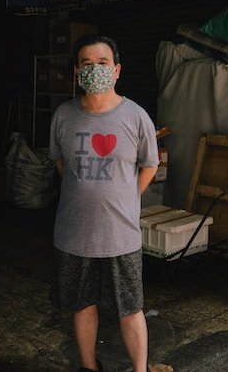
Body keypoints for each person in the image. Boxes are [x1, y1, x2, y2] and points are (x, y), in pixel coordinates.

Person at [48, 34, 159, 372]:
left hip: (120, 236)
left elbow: (150, 164)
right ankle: (88, 365)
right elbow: (61, 163)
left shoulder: (136, 116)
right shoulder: (63, 116)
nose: (94, 69)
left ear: (117, 70)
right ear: (77, 73)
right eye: (86, 64)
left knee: (130, 306)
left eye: (102, 63)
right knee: (81, 305)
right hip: (72, 235)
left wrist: (126, 197)